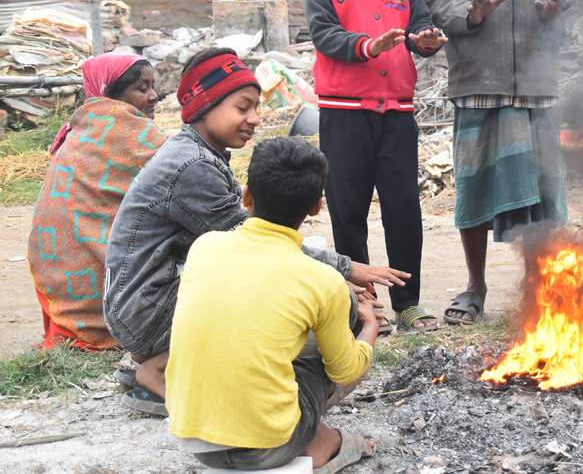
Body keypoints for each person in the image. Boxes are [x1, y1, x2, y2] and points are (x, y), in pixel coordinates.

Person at [103, 47, 405, 417]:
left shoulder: (201, 153)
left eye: (256, 109)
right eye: (242, 107)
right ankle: (161, 369)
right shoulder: (191, 165)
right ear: (204, 106)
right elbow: (254, 240)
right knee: (319, 305)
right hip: (148, 310)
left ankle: (172, 363)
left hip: (149, 302)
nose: (255, 119)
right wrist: (342, 269)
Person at [417, 0, 583, 325]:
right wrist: (466, 13)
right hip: (478, 78)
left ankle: (545, 288)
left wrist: (560, 15)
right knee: (474, 189)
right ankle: (474, 287)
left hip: (536, 81)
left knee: (545, 193)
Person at [166, 137, 377, 472]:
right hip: (268, 448)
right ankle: (323, 443)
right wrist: (369, 327)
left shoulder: (205, 247)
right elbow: (347, 370)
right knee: (335, 344)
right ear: (316, 206)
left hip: (192, 439)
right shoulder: (323, 280)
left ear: (245, 194)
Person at [306, 0, 447, 333]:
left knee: (404, 207)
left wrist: (427, 41)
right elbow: (324, 34)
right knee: (348, 210)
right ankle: (364, 306)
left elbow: (420, 31)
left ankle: (408, 302)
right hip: (345, 114)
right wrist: (368, 47)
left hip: (398, 114)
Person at [27, 53, 164, 350]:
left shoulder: (82, 126)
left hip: (58, 290)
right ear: (111, 93)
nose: (154, 96)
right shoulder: (131, 130)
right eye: (142, 88)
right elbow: (183, 180)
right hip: (100, 299)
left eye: (153, 86)